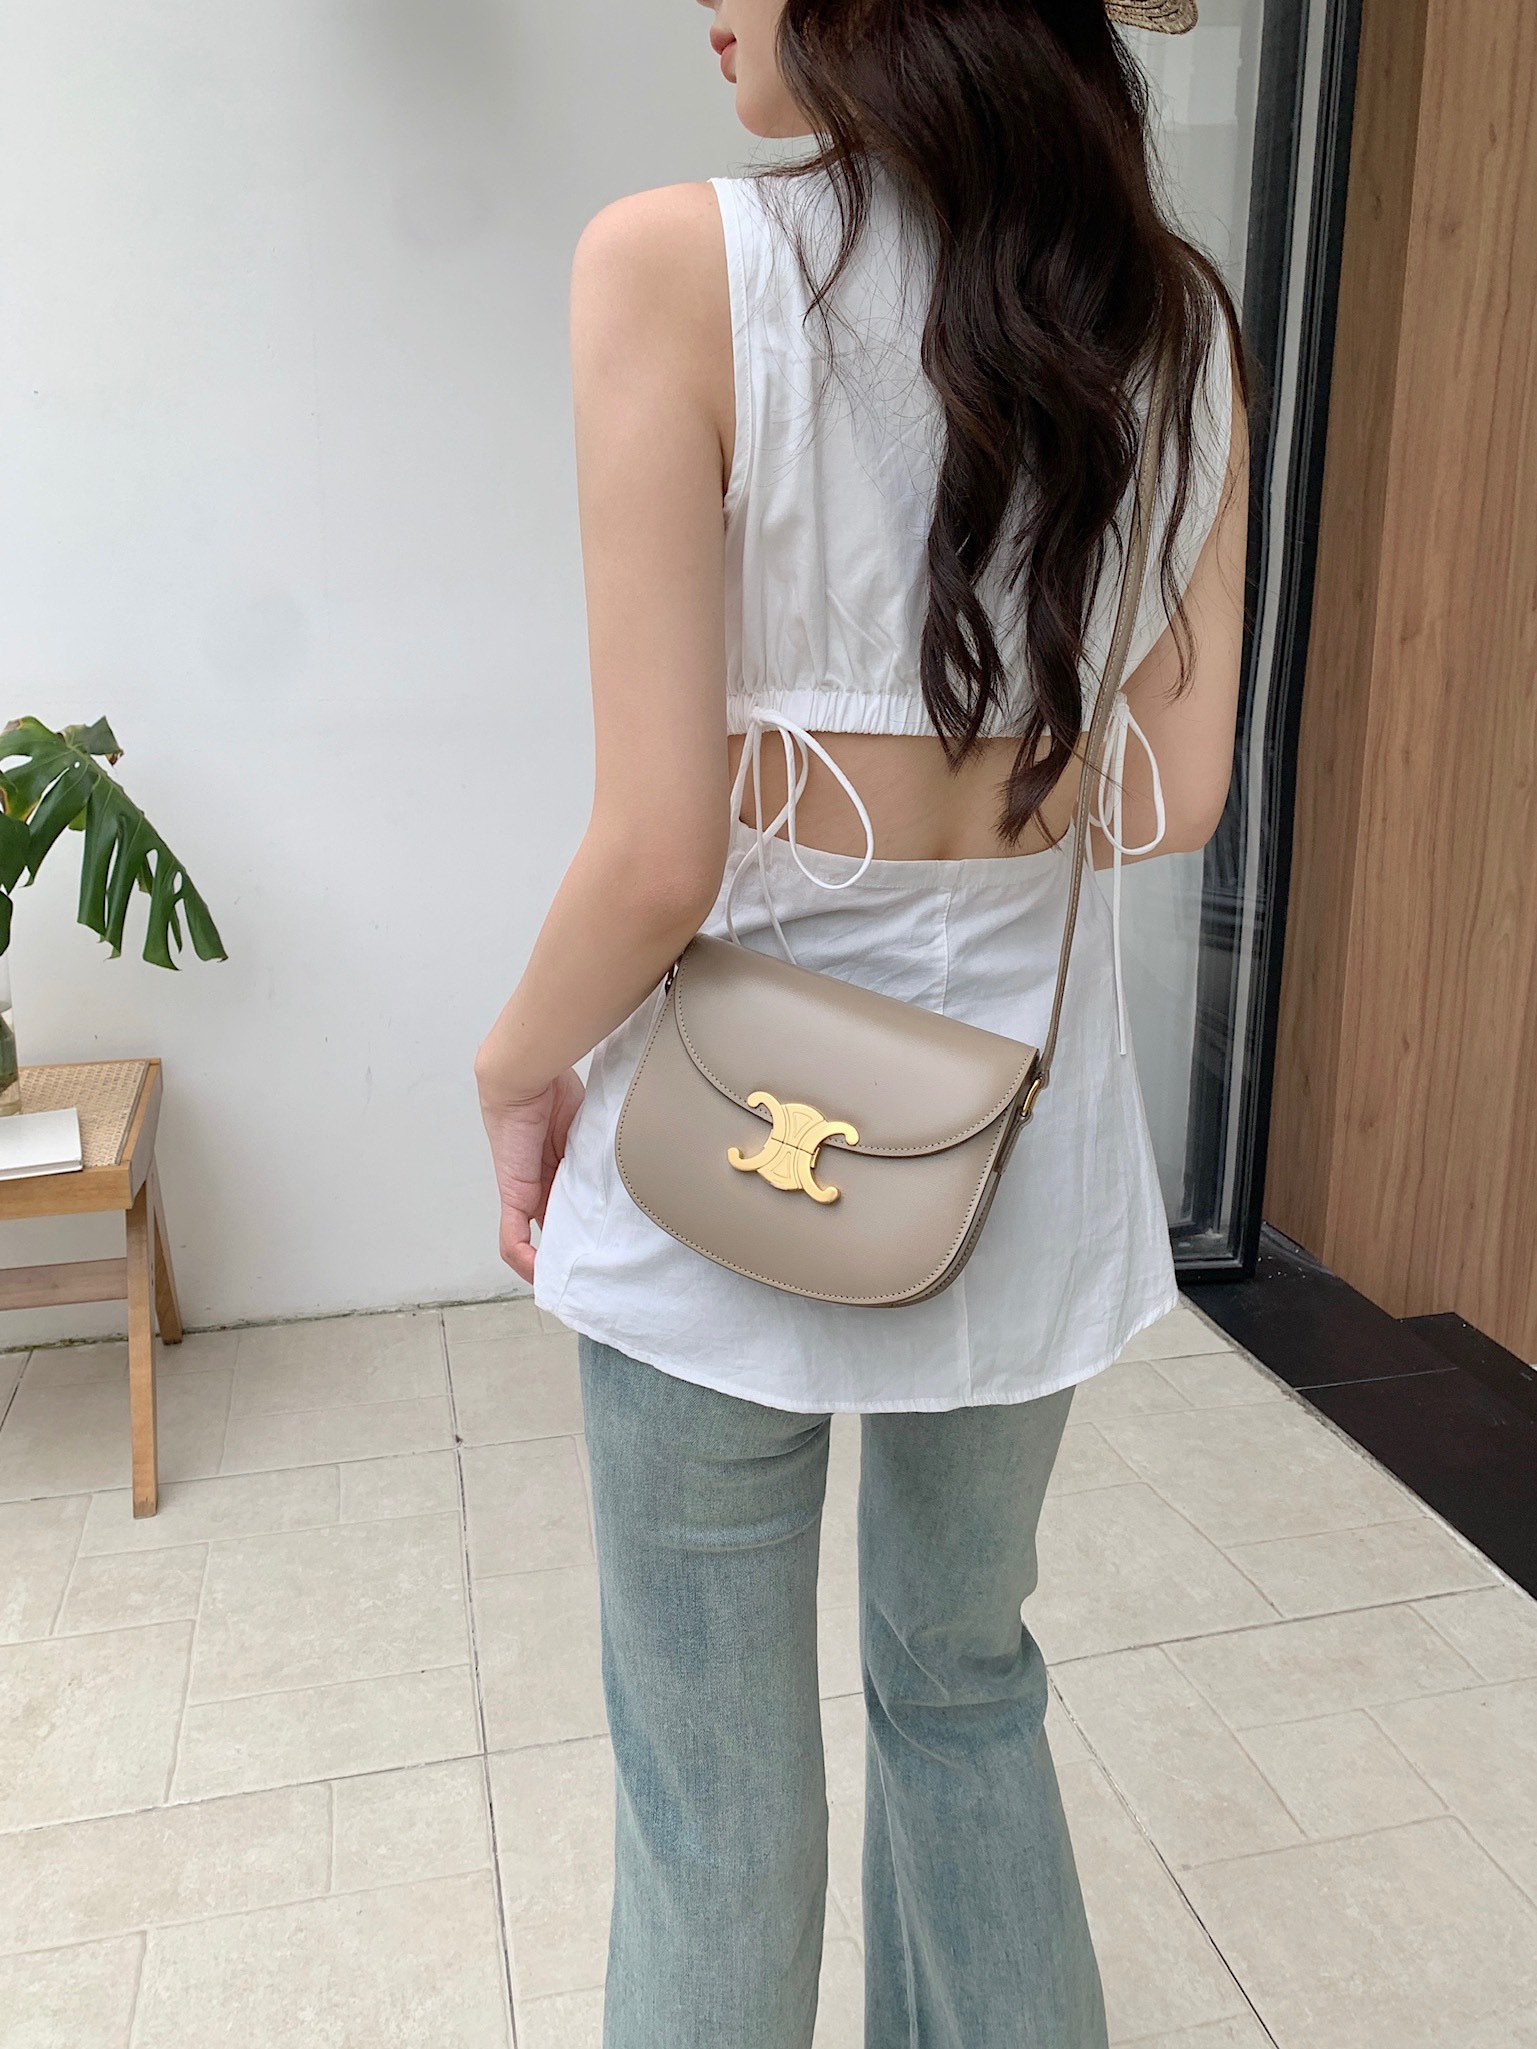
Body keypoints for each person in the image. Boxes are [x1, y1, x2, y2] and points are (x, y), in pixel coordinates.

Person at [475, 0, 1249, 2041]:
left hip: (718, 1137)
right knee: (965, 1685)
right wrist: (987, 792)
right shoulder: (1173, 324)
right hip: (1013, 1148)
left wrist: (509, 1063)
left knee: (710, 1789)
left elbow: (657, 856)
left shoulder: (672, 264)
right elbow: (1178, 794)